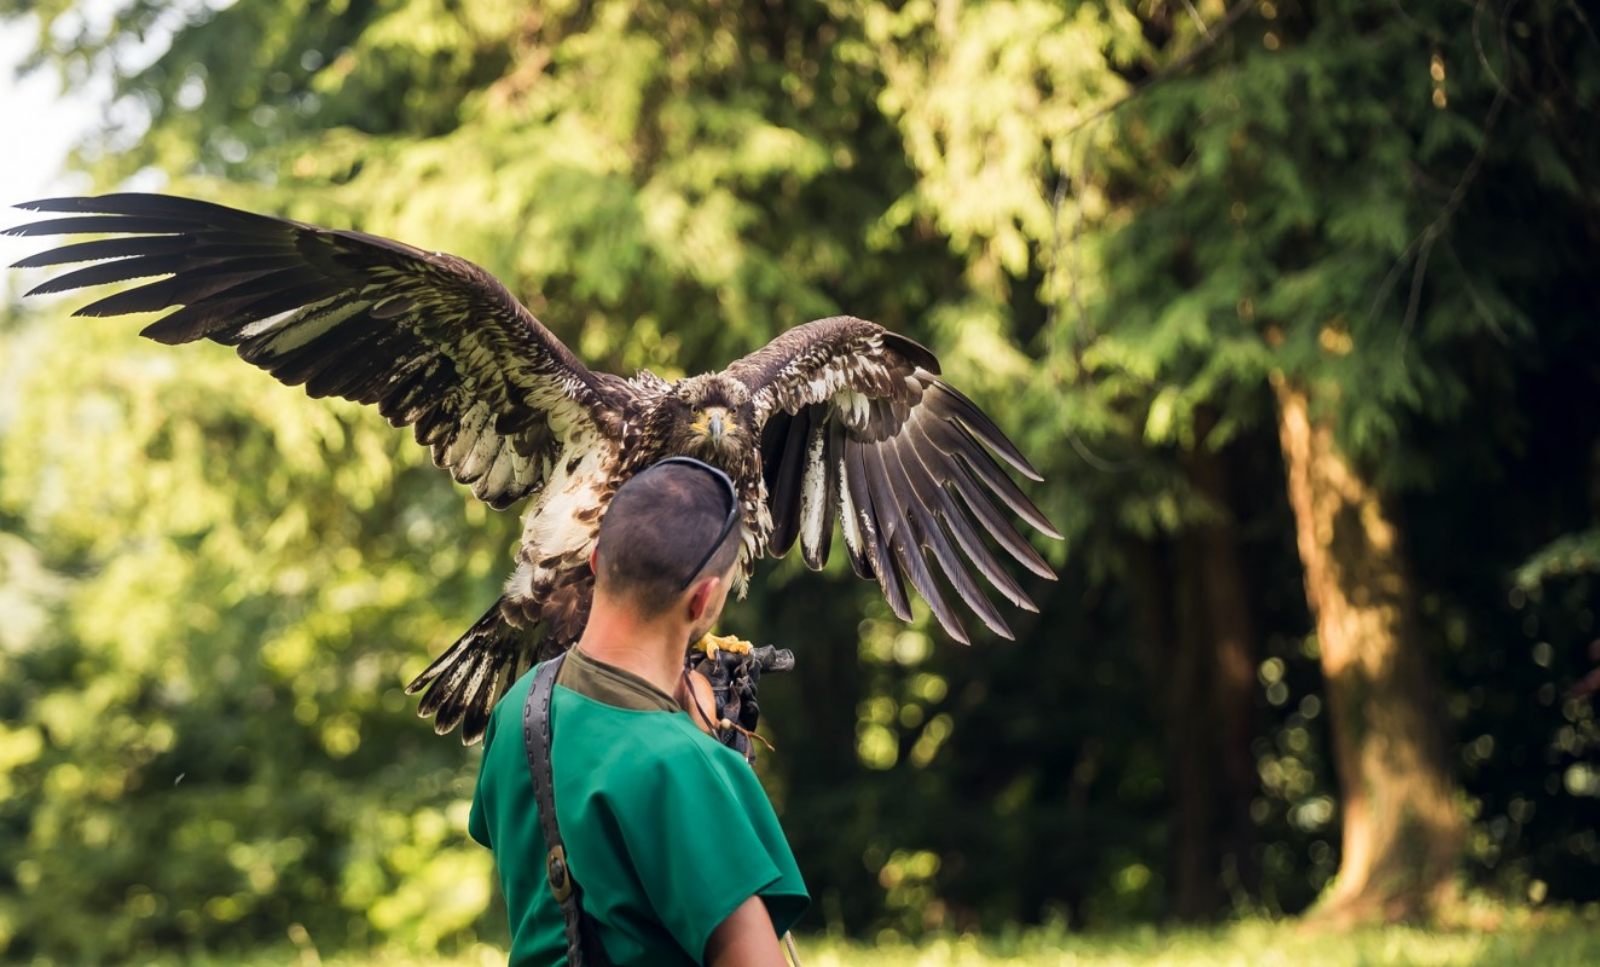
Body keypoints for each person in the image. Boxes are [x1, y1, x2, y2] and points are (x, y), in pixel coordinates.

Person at [469, 457, 808, 966]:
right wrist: (708, 771)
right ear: (703, 600)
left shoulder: (519, 707)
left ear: (595, 560)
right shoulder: (681, 765)